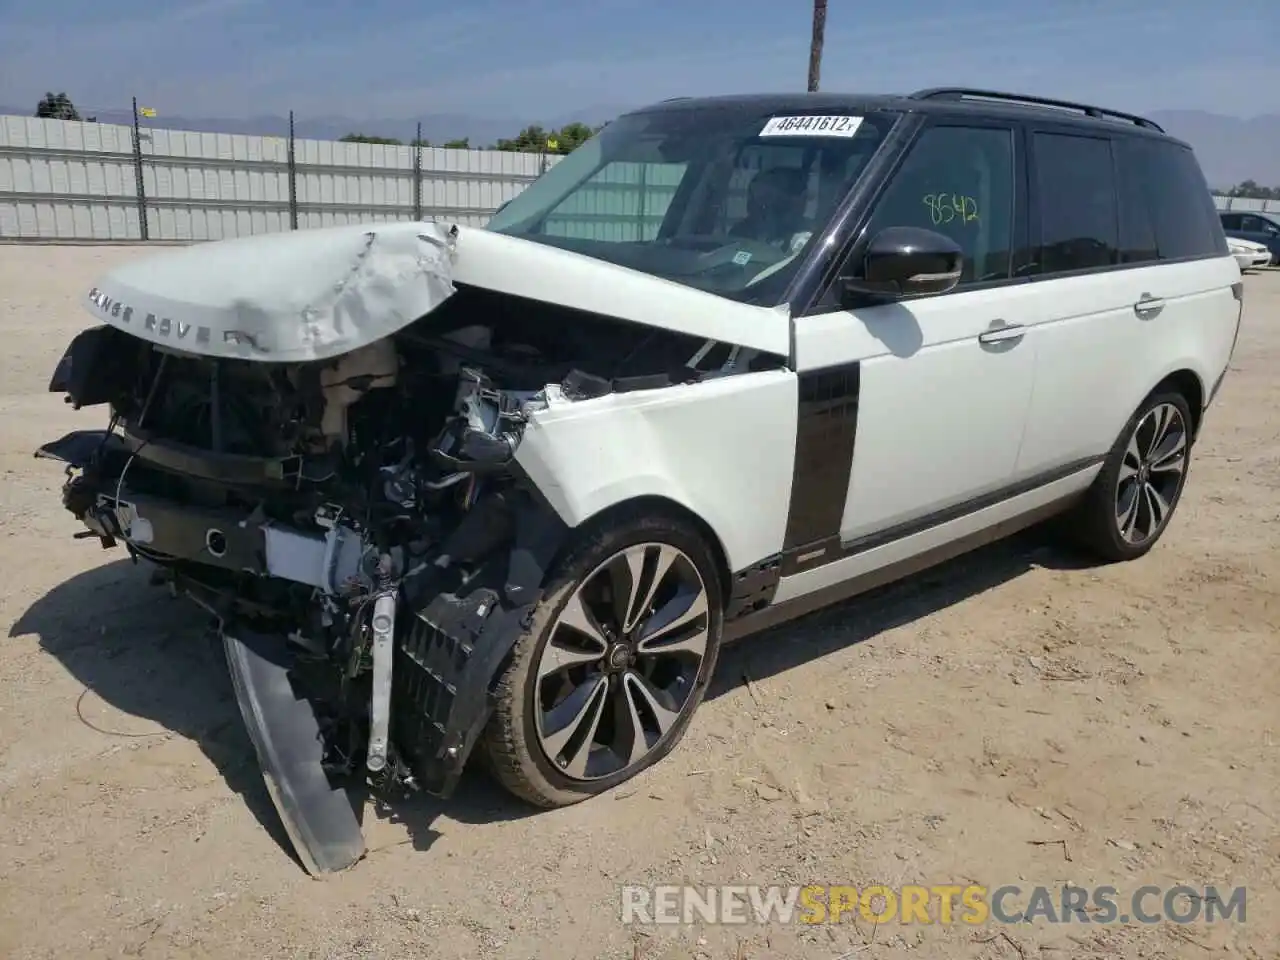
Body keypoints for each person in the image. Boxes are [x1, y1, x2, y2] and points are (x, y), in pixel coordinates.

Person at [730, 166, 810, 250]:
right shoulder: (740, 231)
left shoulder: (806, 237)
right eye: (752, 197)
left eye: (764, 198)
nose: (752, 205)